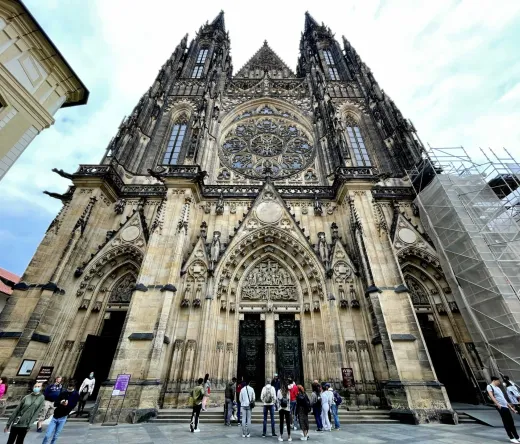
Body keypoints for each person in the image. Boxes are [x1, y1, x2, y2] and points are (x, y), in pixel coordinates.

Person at [42, 380, 79, 444]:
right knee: (47, 435)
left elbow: (73, 405)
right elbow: (55, 404)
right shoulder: (63, 393)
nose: (70, 387)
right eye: (69, 386)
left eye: (71, 386)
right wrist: (61, 402)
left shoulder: (75, 394)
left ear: (74, 387)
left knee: (56, 436)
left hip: (63, 417)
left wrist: (67, 404)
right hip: (55, 416)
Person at [487, 376, 519, 443]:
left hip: (505, 406)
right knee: (506, 422)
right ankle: (511, 437)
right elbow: (491, 396)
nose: (499, 382)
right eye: (498, 381)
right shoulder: (489, 386)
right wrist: (497, 404)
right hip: (501, 406)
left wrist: (511, 408)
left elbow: (503, 399)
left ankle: (517, 437)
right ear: (494, 380)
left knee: (511, 422)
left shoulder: (498, 388)